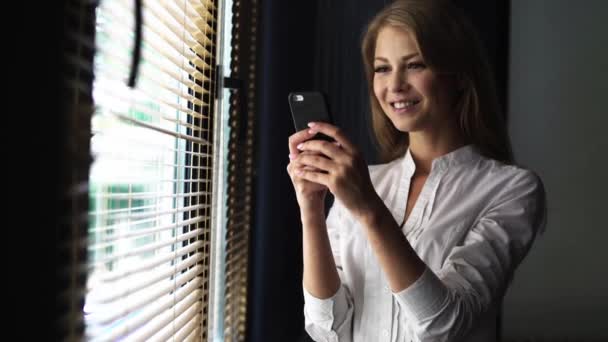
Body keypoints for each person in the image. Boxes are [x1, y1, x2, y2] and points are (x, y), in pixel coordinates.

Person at [286, 0, 547, 341]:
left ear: (459, 77)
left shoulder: (511, 189)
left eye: (415, 65)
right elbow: (327, 329)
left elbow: (444, 323)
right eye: (382, 68)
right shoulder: (366, 182)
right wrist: (311, 211)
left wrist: (369, 210)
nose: (394, 85)